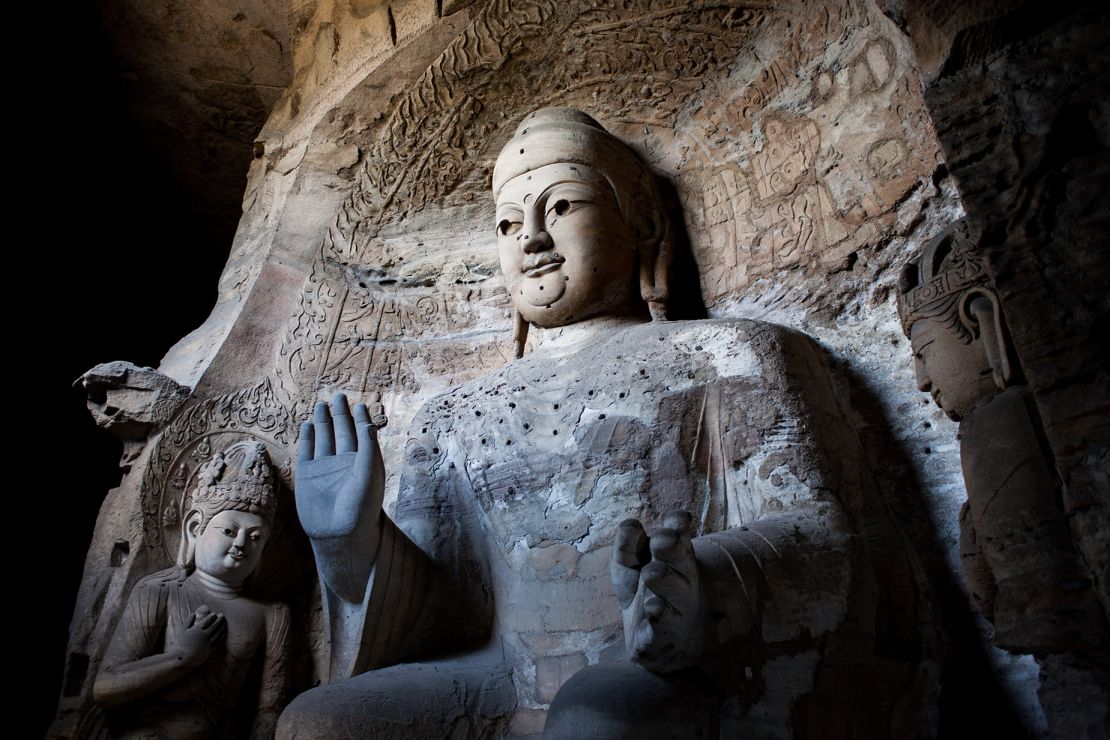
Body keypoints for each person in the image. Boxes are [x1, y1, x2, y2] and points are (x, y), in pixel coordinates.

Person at [281, 108, 926, 738]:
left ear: (642, 221)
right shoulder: (451, 416)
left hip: (678, 665)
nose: (531, 238)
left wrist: (705, 582)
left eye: (560, 207)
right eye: (508, 224)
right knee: (318, 722)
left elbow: (825, 536)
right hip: (503, 676)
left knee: (597, 716)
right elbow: (443, 610)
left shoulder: (729, 354)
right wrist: (351, 543)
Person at [94, 441, 291, 739]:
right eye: (228, 531)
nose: (241, 544)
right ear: (194, 528)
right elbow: (105, 687)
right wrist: (183, 656)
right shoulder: (159, 590)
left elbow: (268, 711)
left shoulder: (272, 614)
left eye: (255, 537)